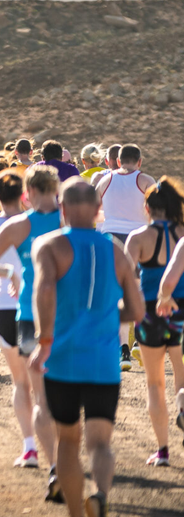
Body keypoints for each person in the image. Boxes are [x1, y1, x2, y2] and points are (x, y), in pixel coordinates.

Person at [30, 179, 144, 517]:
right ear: (99, 209)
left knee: (68, 441)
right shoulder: (117, 251)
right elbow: (138, 312)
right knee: (100, 443)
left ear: (62, 209)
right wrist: (108, 320)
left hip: (62, 358)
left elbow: (45, 290)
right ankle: (102, 497)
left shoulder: (49, 245)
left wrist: (44, 342)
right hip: (103, 361)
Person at [0, 166, 62, 495]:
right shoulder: (68, 221)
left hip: (26, 315)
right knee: (63, 391)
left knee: (35, 392)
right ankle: (64, 459)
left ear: (29, 193)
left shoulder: (16, 226)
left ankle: (48, 462)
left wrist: (9, 272)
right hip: (66, 314)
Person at [124, 176, 184, 466]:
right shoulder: (183, 233)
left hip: (149, 310)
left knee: (154, 383)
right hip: (181, 307)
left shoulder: (138, 237)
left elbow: (124, 276)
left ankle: (162, 452)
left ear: (147, 208)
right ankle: (183, 408)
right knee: (180, 370)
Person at [97, 143, 155, 368]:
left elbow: (94, 208)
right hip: (139, 237)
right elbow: (155, 209)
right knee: (140, 290)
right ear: (139, 162)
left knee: (117, 294)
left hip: (111, 238)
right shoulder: (146, 180)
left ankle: (122, 351)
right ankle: (139, 341)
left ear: (118, 161)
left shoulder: (105, 180)